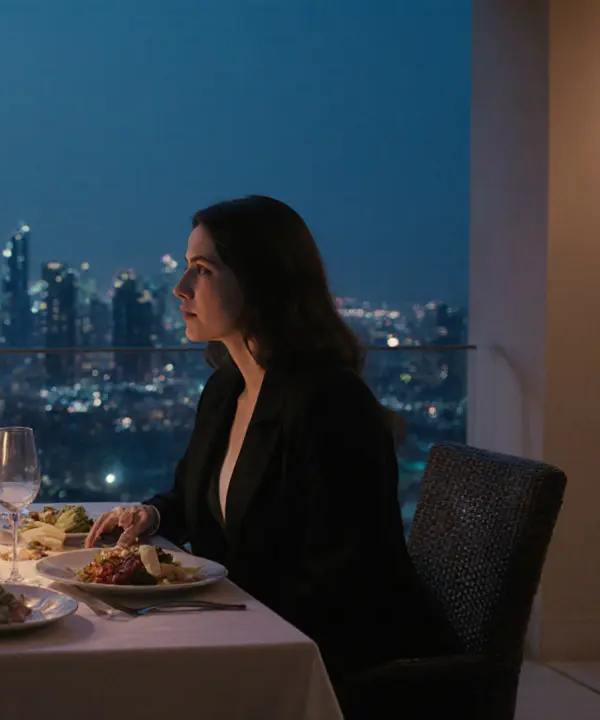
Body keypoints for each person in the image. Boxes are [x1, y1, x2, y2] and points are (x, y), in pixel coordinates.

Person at [85, 195, 455, 687]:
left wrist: (211, 619)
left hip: (336, 662)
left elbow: (345, 574)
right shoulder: (225, 389)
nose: (180, 288)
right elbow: (197, 499)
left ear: (259, 280)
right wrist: (151, 515)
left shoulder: (330, 402)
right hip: (251, 631)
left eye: (202, 270)